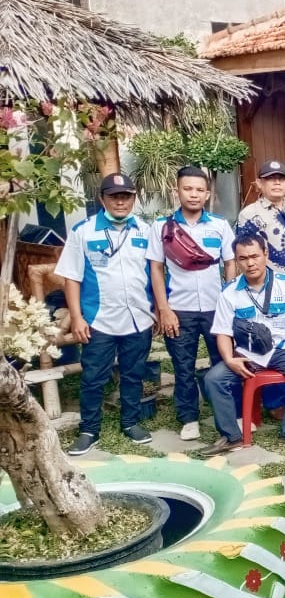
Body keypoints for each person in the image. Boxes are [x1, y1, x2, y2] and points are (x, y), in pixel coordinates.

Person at [59, 173, 155, 455]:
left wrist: (158, 309)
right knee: (93, 377)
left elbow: (156, 272)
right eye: (114, 196)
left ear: (133, 199)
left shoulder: (145, 230)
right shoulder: (83, 231)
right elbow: (71, 277)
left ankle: (131, 422)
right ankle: (89, 430)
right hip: (98, 319)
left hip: (138, 317)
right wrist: (77, 317)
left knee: (133, 374)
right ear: (102, 199)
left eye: (126, 196)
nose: (120, 202)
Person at [201, 234, 285, 455]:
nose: (250, 263)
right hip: (247, 354)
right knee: (213, 379)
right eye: (243, 258)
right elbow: (223, 332)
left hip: (283, 350)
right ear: (236, 260)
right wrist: (229, 359)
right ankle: (231, 436)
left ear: (266, 254)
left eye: (255, 256)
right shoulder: (229, 291)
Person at [147, 166, 235, 442]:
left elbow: (230, 262)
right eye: (188, 189)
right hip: (179, 309)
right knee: (183, 367)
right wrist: (164, 309)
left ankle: (230, 415)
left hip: (215, 309)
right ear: (177, 191)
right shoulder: (162, 227)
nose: (194, 195)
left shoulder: (219, 225)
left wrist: (229, 299)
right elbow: (156, 268)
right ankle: (189, 418)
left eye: (199, 190)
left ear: (208, 194)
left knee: (223, 362)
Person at [236, 159, 285, 282]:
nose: (277, 183)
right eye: (271, 178)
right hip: (269, 285)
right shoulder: (249, 215)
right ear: (259, 183)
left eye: (282, 179)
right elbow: (243, 253)